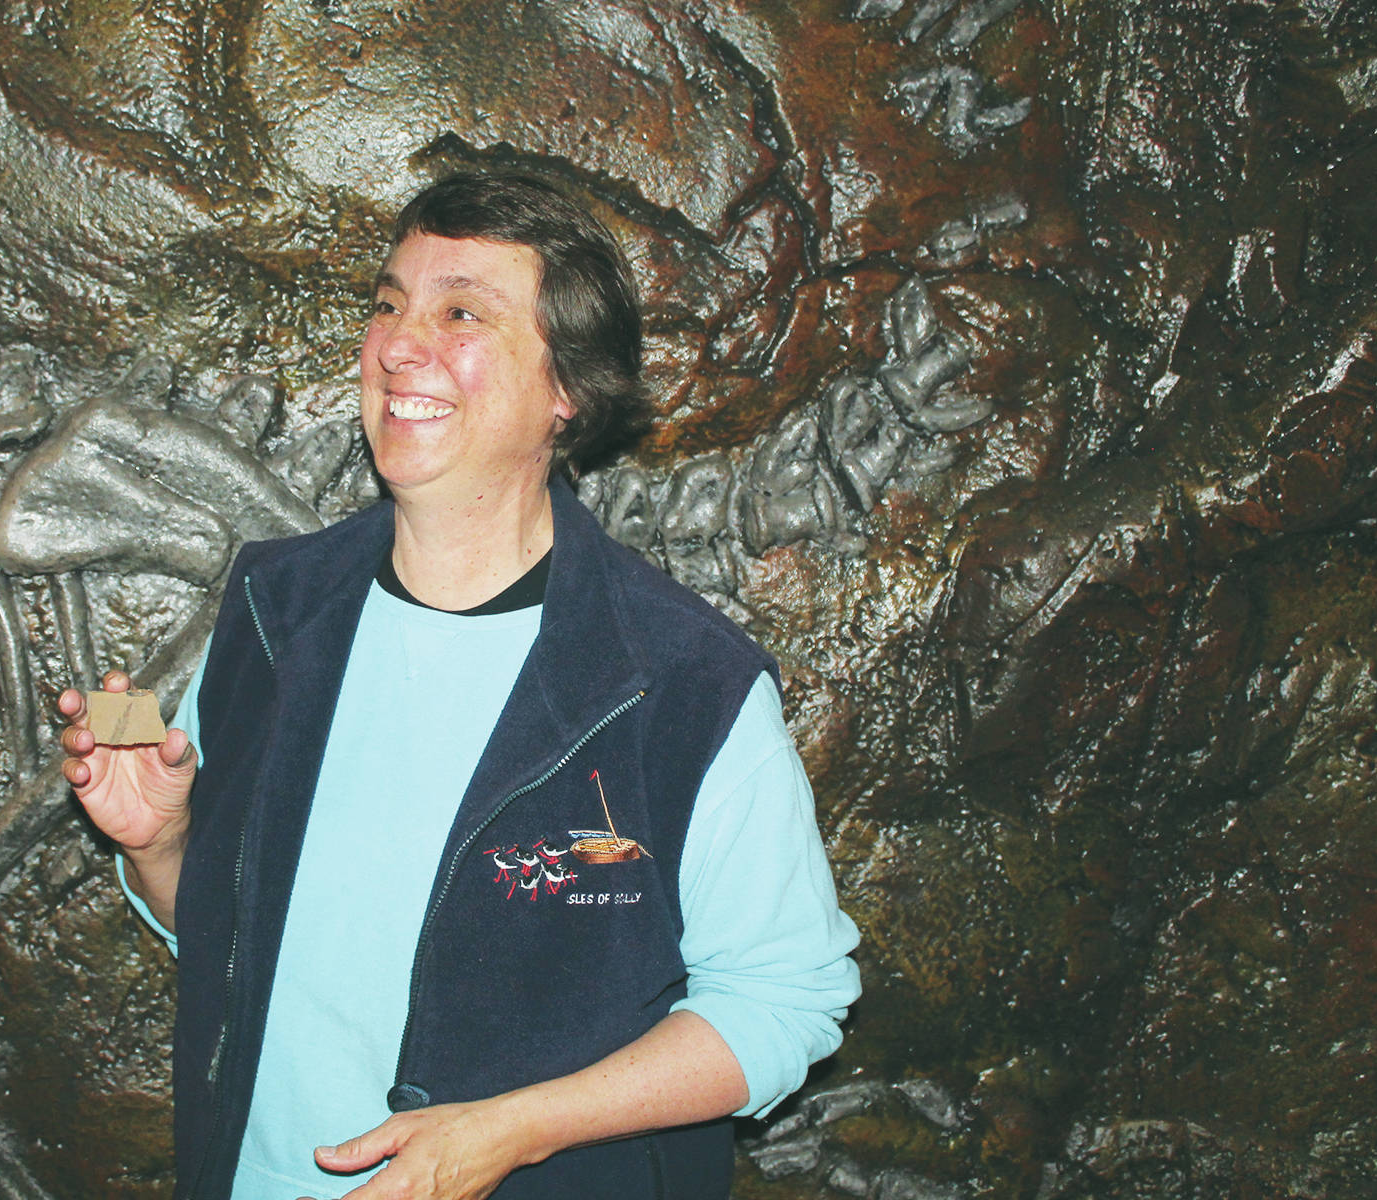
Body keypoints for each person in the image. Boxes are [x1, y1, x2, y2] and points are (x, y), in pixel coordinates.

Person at [57, 173, 860, 1200]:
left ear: (566, 390)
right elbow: (236, 941)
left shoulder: (684, 681)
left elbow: (788, 1002)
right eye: (389, 304)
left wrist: (515, 1132)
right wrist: (161, 844)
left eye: (461, 312)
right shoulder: (273, 606)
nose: (397, 343)